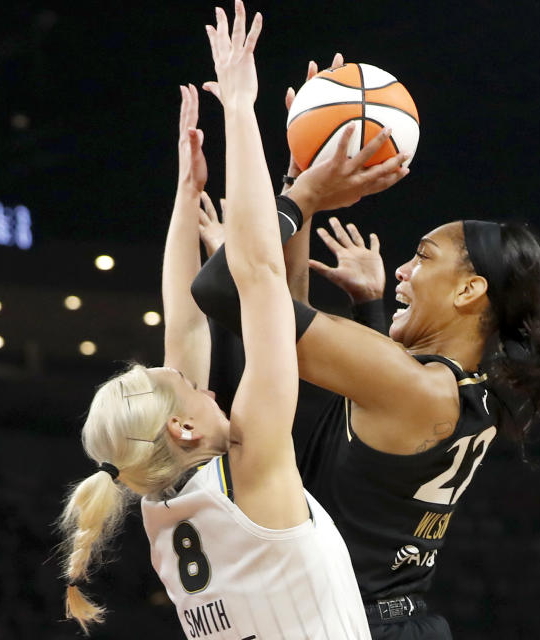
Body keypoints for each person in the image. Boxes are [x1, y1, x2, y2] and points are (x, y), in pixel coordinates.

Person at [191, 80, 540, 640]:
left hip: (354, 624)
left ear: (470, 291)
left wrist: (304, 198)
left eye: (422, 257)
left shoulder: (409, 385)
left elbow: (226, 289)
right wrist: (300, 178)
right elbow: (281, 320)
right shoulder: (470, 384)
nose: (400, 269)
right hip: (385, 620)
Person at [58, 3, 371, 637]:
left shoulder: (157, 501)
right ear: (181, 426)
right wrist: (239, 105)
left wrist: (184, 191)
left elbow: (186, 325)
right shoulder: (250, 463)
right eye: (189, 389)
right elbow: (256, 273)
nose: (202, 385)